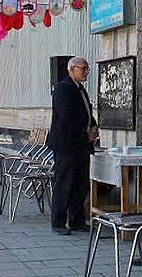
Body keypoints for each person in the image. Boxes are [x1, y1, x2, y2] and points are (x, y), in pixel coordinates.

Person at [45, 56, 98, 235]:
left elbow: (86, 112)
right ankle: (58, 222)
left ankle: (77, 220)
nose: (85, 72)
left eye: (86, 69)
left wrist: (94, 125)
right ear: (71, 69)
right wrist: (86, 131)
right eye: (82, 68)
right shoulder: (62, 88)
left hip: (81, 145)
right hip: (67, 144)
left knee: (81, 184)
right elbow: (67, 117)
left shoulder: (80, 89)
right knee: (64, 183)